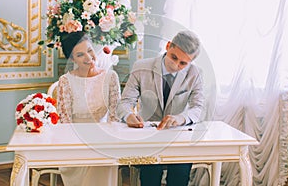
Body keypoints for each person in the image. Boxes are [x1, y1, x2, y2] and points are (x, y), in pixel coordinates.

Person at [116, 30, 205, 186]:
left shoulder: (196, 74)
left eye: (183, 63)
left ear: (191, 62)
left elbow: (198, 107)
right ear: (168, 46)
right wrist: (129, 115)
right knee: (150, 175)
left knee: (180, 175)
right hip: (148, 137)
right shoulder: (141, 67)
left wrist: (181, 118)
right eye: (174, 57)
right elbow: (124, 103)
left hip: (179, 137)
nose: (176, 65)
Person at [57, 31, 121, 186]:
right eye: (80, 55)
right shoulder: (65, 81)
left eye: (90, 50)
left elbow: (115, 116)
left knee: (104, 156)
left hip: (104, 139)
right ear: (72, 59)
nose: (88, 57)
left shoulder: (111, 77)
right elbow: (64, 121)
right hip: (74, 142)